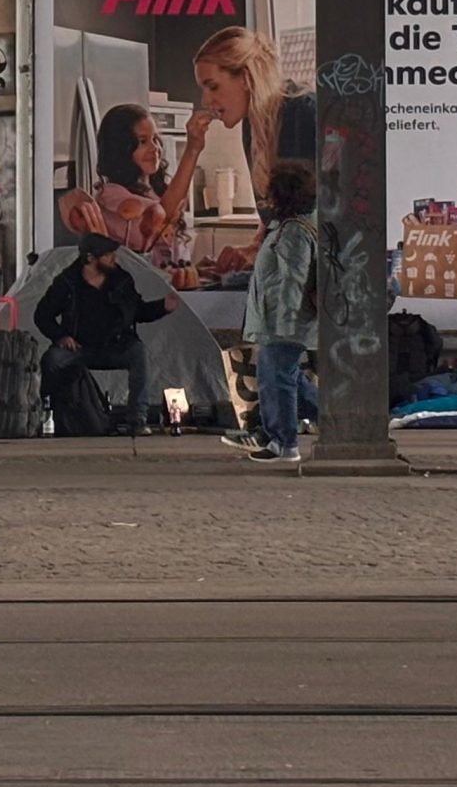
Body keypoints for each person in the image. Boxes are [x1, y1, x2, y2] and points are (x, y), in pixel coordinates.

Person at [34, 233, 171, 434]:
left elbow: (137, 311)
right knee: (52, 359)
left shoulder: (121, 280)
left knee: (138, 353)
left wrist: (163, 307)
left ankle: (137, 419)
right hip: (79, 347)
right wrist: (61, 336)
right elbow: (42, 315)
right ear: (90, 258)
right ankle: (55, 415)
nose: (113, 259)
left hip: (115, 345)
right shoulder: (67, 282)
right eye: (107, 256)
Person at [240, 160, 322, 465]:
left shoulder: (293, 233)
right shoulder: (290, 228)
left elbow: (292, 281)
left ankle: (283, 442)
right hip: (282, 320)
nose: (266, 200)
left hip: (284, 322)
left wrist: (283, 326)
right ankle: (339, 419)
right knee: (288, 379)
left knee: (277, 379)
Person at [191, 25, 317, 201]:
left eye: (213, 86)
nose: (205, 101)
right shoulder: (252, 125)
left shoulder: (304, 112)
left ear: (246, 78)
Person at [65, 103, 205, 260]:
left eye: (155, 139)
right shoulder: (110, 194)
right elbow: (162, 215)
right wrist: (192, 149)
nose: (154, 148)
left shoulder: (157, 191)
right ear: (121, 149)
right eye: (142, 141)